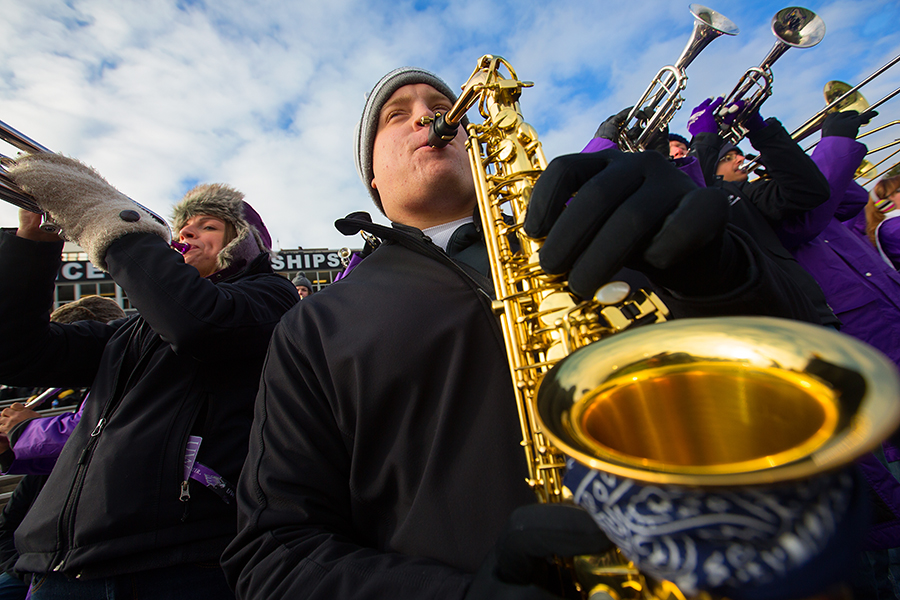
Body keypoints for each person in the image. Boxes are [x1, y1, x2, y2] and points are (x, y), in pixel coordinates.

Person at [221, 67, 849, 600]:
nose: (427, 117)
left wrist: (720, 276)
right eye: (395, 115)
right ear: (373, 181)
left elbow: (797, 365)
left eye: (442, 108)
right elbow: (273, 552)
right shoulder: (315, 324)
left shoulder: (598, 227)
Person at [0, 166, 298, 599]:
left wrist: (110, 220)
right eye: (182, 228)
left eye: (208, 226)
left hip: (177, 561)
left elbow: (196, 322)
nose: (187, 233)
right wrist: (34, 247)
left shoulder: (271, 296)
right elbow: (17, 354)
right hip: (64, 564)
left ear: (243, 241)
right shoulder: (132, 331)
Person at [0, 295, 126, 600]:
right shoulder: (91, 400)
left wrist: (25, 431)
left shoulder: (121, 386)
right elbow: (13, 522)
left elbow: (103, 444)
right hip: (44, 564)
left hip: (85, 563)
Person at [686, 96, 838, 328]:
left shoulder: (743, 191)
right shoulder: (686, 188)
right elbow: (691, 214)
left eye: (739, 153)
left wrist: (762, 132)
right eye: (727, 157)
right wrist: (704, 142)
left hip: (808, 314)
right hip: (755, 329)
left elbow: (810, 191)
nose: (740, 158)